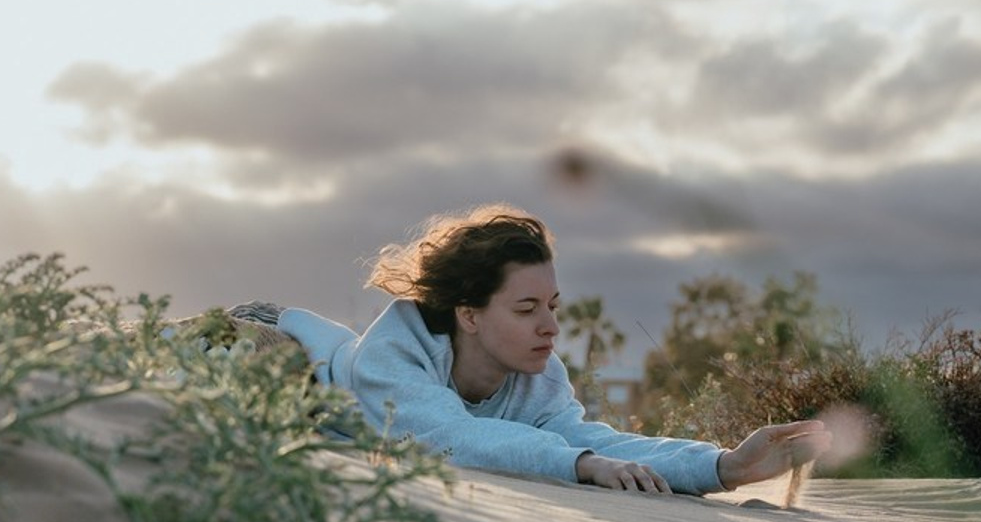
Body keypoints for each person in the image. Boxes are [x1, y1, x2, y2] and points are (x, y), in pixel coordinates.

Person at [236, 204, 830, 495]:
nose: (550, 326)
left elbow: (596, 442)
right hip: (266, 348)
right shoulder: (396, 357)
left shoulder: (535, 376)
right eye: (526, 309)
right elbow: (451, 436)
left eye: (553, 306)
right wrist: (582, 467)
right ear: (468, 314)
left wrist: (724, 466)